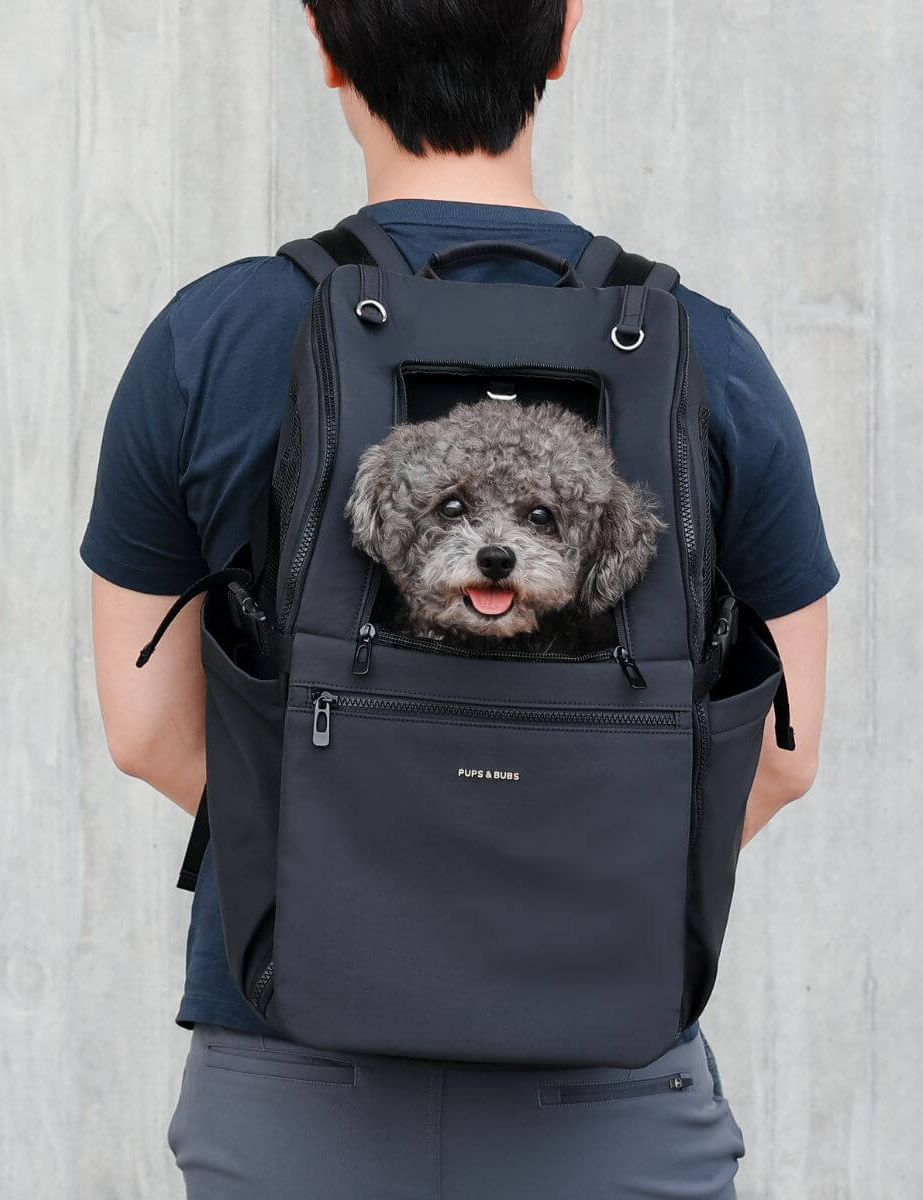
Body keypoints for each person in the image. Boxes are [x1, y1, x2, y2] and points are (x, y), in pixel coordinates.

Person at [80, 2, 838, 1195]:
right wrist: (553, 856)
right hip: (606, 1070)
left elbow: (147, 728)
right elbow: (781, 753)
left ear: (325, 46)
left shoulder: (213, 337)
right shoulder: (708, 352)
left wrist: (377, 853)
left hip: (294, 1069)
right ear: (564, 38)